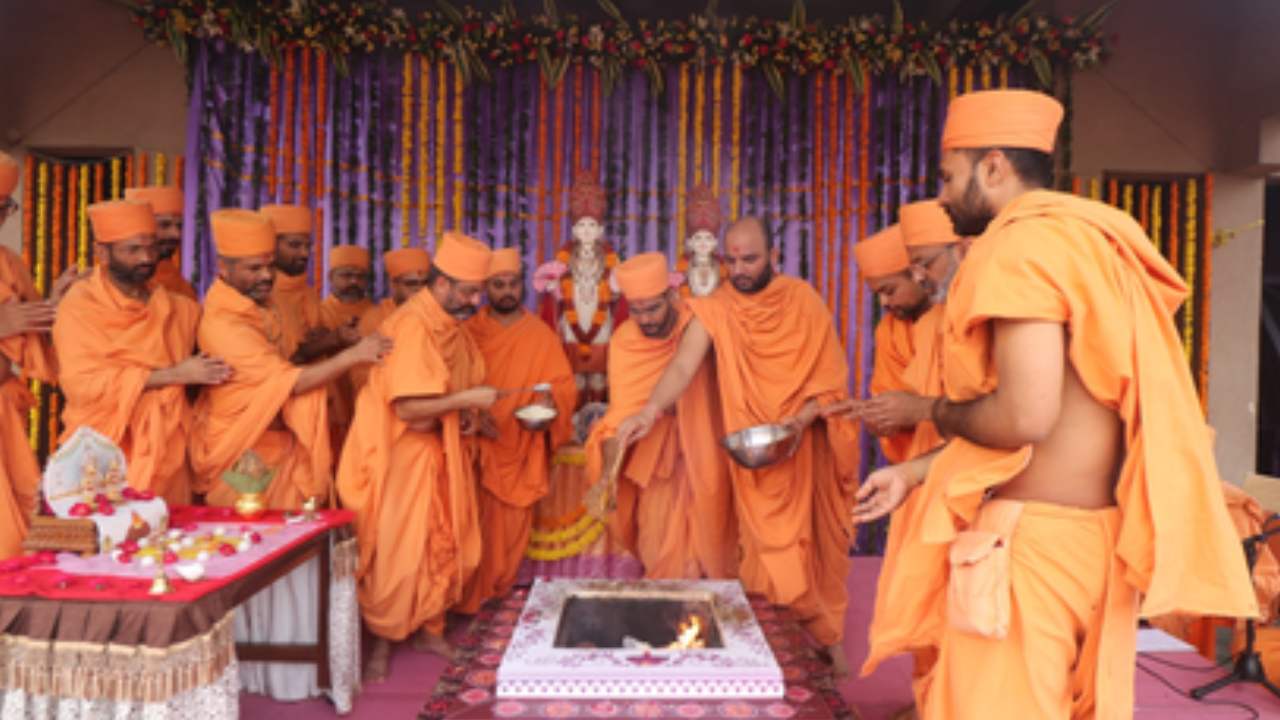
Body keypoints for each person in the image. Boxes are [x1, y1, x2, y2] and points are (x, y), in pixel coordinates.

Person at [852, 89, 1257, 719]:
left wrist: (928, 410)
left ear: (993, 167)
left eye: (947, 175)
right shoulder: (1090, 240)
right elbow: (1058, 413)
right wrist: (910, 473)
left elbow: (1023, 418)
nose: (939, 196)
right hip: (1094, 539)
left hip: (1030, 550)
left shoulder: (1018, 247)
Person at [615, 218, 860, 675]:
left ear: (774, 257)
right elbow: (683, 367)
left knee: (805, 553)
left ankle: (829, 642)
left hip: (797, 448)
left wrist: (799, 422)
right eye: (733, 260)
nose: (741, 269)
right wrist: (650, 410)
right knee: (758, 556)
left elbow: (830, 382)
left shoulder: (802, 301)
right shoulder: (716, 308)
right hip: (748, 458)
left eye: (751, 259)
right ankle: (773, 655)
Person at [336, 231, 496, 682]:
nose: (473, 300)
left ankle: (430, 628)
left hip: (438, 451)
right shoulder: (413, 326)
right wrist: (466, 399)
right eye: (467, 291)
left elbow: (446, 397)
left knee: (440, 541)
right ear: (441, 285)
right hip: (399, 455)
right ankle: (384, 643)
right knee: (397, 553)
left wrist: (463, 414)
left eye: (476, 291)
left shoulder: (451, 328)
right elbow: (408, 407)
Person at [189, 209, 390, 508]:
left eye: (269, 266)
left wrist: (334, 341)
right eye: (254, 268)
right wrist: (354, 355)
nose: (267, 276)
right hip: (245, 454)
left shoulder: (262, 309)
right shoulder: (225, 325)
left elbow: (292, 360)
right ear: (223, 268)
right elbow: (290, 382)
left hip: (281, 443)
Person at [54, 200, 229, 505]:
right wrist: (175, 375)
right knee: (108, 543)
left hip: (169, 447)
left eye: (150, 247)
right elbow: (81, 385)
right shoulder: (80, 305)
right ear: (102, 253)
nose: (146, 258)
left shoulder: (178, 308)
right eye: (132, 250)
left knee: (170, 540)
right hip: (104, 452)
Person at [586, 253, 736, 579]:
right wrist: (607, 477)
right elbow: (620, 418)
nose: (645, 320)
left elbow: (688, 369)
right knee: (661, 555)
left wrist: (657, 410)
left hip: (708, 456)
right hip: (658, 470)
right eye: (636, 311)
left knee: (715, 554)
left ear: (671, 295)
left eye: (652, 308)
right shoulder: (626, 341)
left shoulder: (700, 318)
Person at [457, 248, 577, 613]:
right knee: (471, 524)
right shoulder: (469, 332)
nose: (507, 291)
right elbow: (452, 383)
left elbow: (563, 385)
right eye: (498, 285)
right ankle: (464, 599)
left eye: (512, 284)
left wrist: (551, 401)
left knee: (509, 529)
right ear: (484, 289)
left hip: (521, 442)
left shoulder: (540, 335)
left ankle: (496, 594)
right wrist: (472, 413)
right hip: (477, 445)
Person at [0, 151, 81, 558]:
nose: (2, 218)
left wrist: (54, 301)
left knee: (19, 525)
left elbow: (27, 328)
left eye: (4, 208)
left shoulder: (9, 261)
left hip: (4, 408)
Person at [854, 225, 931, 463]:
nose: (884, 302)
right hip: (914, 466)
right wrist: (878, 416)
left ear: (917, 273)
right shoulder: (889, 329)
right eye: (877, 294)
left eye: (889, 290)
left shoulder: (954, 319)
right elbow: (888, 395)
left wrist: (915, 410)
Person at [259, 203, 353, 362]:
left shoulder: (308, 293)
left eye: (307, 245)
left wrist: (335, 337)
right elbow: (280, 363)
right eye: (294, 245)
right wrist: (331, 340)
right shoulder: (259, 294)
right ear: (270, 244)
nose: (304, 253)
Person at [319, 244, 373, 460]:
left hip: (368, 408)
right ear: (331, 277)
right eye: (346, 275)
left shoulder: (379, 314)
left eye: (360, 277)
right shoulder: (319, 312)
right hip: (332, 404)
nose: (353, 282)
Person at [352, 247, 430, 390]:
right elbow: (361, 371)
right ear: (393, 284)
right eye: (411, 283)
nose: (420, 290)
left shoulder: (435, 316)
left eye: (424, 283)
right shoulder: (374, 318)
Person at [125, 186, 197, 300]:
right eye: (164, 225)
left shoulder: (179, 284)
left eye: (179, 226)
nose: (176, 234)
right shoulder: (110, 281)